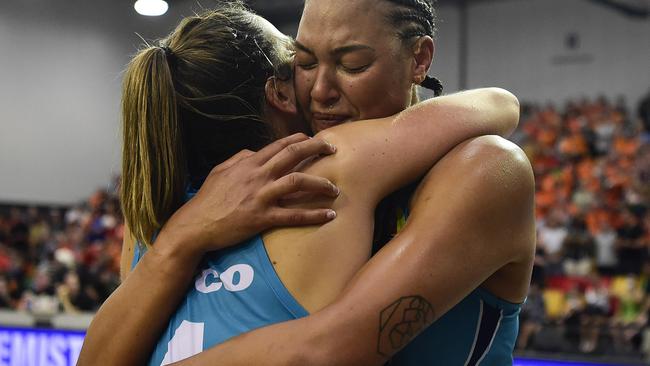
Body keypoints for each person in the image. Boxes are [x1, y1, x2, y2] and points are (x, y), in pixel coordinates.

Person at [79, 2, 534, 366]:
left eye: (351, 64)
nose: (319, 90)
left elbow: (330, 349)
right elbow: (500, 101)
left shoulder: (481, 168)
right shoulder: (180, 214)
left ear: (419, 58)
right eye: (304, 62)